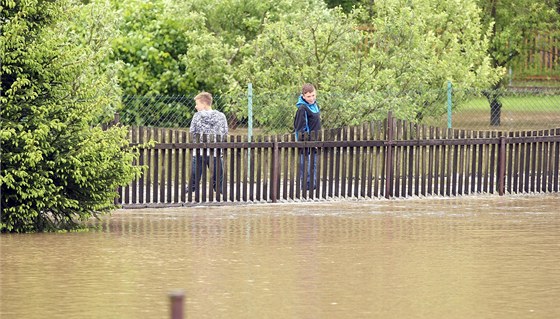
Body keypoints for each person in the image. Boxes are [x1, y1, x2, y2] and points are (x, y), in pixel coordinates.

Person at [188, 92, 228, 193]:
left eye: (197, 104)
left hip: (199, 152)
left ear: (204, 104)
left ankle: (189, 195)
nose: (195, 106)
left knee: (194, 181)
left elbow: (192, 133)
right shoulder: (221, 116)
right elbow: (224, 133)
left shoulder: (196, 116)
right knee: (218, 182)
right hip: (216, 153)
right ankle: (220, 197)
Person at [293, 83, 321, 190]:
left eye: (313, 95)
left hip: (315, 141)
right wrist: (307, 141)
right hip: (306, 142)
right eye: (308, 96)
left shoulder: (316, 106)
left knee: (313, 164)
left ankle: (312, 186)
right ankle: (306, 186)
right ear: (303, 96)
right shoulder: (302, 109)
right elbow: (300, 128)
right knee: (306, 165)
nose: (311, 98)